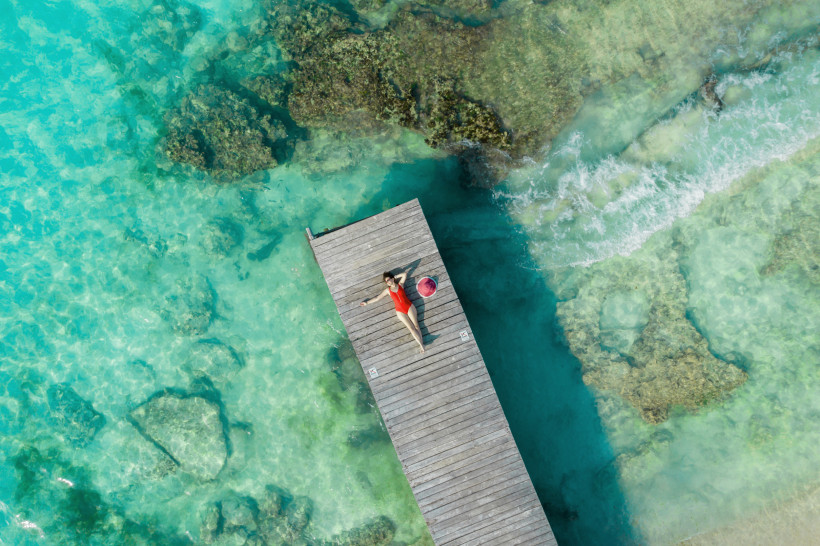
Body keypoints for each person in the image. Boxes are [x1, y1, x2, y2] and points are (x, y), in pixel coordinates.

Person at [360, 271, 424, 353]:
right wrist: (367, 302)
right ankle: (421, 345)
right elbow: (377, 298)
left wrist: (395, 276)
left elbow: (404, 274)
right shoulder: (388, 290)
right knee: (411, 329)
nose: (387, 282)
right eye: (386, 281)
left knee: (416, 326)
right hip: (400, 311)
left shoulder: (400, 284)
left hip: (409, 307)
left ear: (392, 279)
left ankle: (421, 344)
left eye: (388, 280)